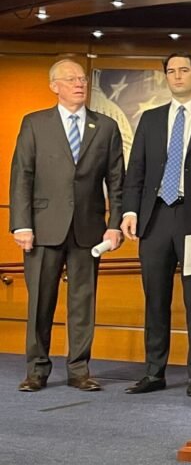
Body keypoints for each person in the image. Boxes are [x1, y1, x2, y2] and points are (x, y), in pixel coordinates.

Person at [121, 52, 191, 397]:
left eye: (184, 70)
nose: (178, 76)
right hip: (154, 219)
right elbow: (135, 170)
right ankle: (154, 372)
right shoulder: (151, 119)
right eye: (171, 71)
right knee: (156, 299)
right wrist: (129, 212)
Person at [9, 58, 125, 392]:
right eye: (71, 79)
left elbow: (116, 180)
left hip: (89, 229)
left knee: (83, 303)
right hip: (43, 227)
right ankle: (36, 370)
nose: (79, 84)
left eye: (83, 79)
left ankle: (78, 369)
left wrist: (114, 224)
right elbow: (22, 176)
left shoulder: (105, 127)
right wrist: (21, 225)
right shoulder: (34, 123)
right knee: (40, 302)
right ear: (54, 86)